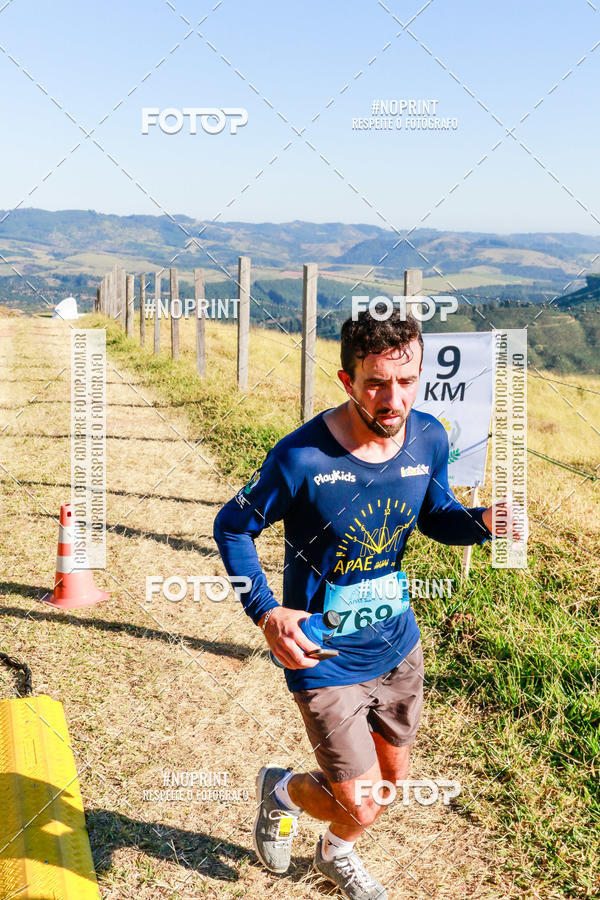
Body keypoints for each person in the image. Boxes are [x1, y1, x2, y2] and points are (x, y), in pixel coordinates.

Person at [213, 309, 526, 900]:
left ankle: (334, 852)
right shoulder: (301, 457)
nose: (393, 398)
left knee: (389, 785)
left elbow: (434, 516)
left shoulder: (430, 436)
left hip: (397, 644)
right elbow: (231, 527)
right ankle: (281, 793)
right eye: (377, 383)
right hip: (321, 654)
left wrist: (481, 523)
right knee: (358, 797)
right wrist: (265, 610)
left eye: (407, 382)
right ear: (346, 380)